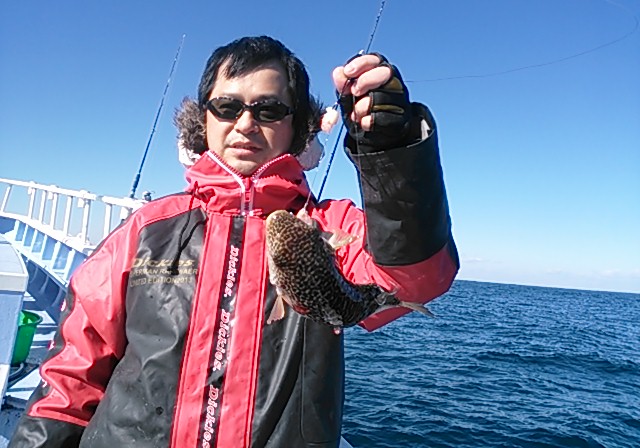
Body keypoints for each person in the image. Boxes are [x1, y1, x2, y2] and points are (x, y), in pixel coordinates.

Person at [9, 35, 459, 448]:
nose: (245, 123)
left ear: (298, 125)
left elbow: (417, 276)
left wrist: (390, 148)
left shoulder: (328, 225)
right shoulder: (146, 228)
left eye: (269, 110)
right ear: (203, 118)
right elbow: (73, 372)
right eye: (227, 107)